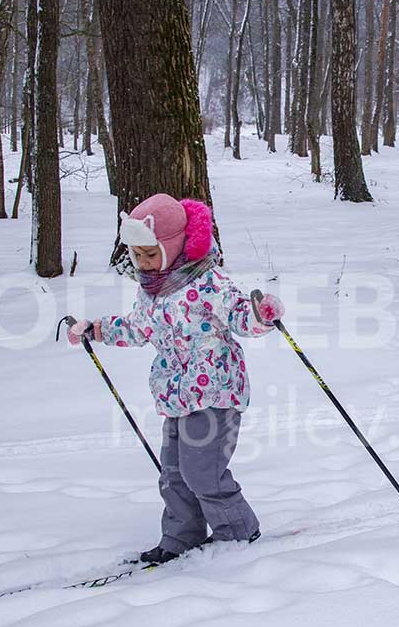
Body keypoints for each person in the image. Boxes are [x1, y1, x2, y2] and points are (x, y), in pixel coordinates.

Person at [69, 194, 284, 564]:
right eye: (137, 255)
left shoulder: (208, 280)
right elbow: (138, 328)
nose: (143, 262)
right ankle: (181, 537)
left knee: (203, 471)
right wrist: (97, 330)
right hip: (175, 394)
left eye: (150, 254)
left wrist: (261, 316)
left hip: (216, 392)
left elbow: (237, 316)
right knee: (173, 473)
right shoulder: (151, 290)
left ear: (173, 245)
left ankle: (238, 533)